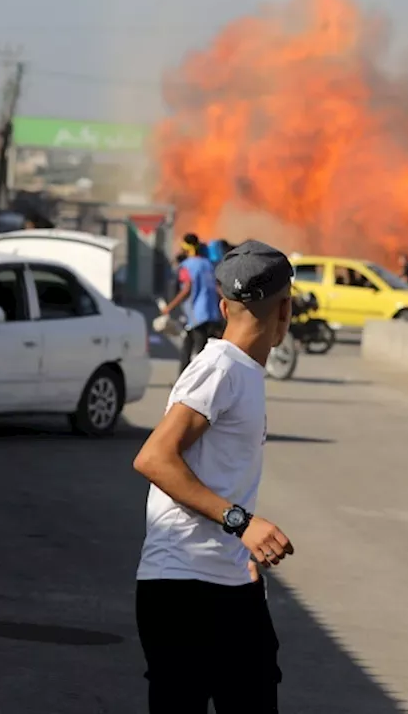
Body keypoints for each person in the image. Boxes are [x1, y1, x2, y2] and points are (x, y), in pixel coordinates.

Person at [133, 239, 297, 712]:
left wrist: (238, 551)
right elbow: (154, 458)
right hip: (183, 589)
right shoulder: (219, 368)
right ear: (285, 307)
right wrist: (242, 524)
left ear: (224, 305)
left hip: (226, 584)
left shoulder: (240, 371)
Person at [161, 238, 224, 375]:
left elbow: (186, 289)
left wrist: (169, 307)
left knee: (196, 352)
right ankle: (183, 382)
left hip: (197, 316)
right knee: (190, 348)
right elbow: (217, 287)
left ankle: (193, 384)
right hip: (211, 314)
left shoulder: (186, 266)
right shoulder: (207, 263)